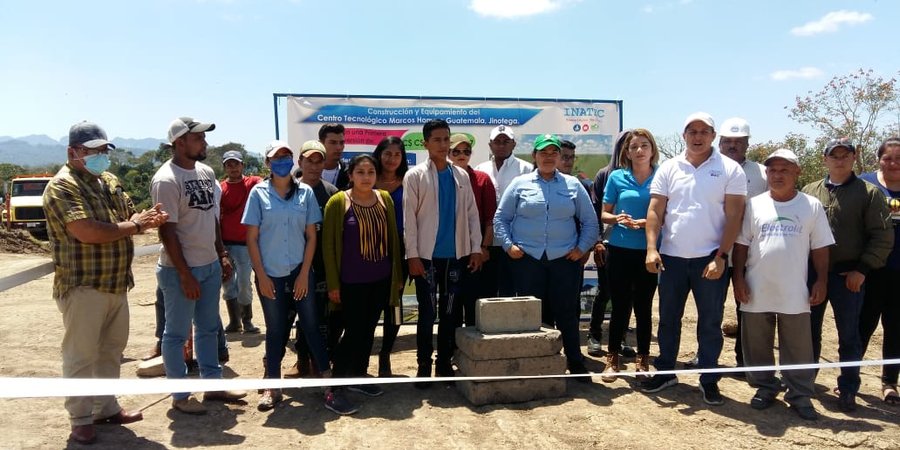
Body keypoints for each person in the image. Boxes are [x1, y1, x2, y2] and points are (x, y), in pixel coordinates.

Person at [43, 121, 167, 444]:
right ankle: (81, 418)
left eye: (103, 150)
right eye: (94, 151)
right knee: (81, 355)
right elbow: (87, 230)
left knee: (111, 350)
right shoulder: (62, 186)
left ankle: (106, 407)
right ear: (73, 152)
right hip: (83, 286)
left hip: (115, 284)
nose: (101, 156)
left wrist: (147, 217)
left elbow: (128, 216)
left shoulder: (107, 181)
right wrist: (136, 226)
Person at [642, 112, 747, 406]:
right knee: (668, 320)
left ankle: (709, 378)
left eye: (704, 131)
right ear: (684, 135)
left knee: (711, 322)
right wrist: (652, 248)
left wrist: (721, 256)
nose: (698, 136)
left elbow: (735, 215)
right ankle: (666, 372)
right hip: (672, 259)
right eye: (692, 131)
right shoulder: (669, 168)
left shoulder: (729, 169)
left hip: (710, 260)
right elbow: (655, 211)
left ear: (713, 136)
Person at [151, 116, 246, 415]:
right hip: (180, 270)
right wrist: (184, 274)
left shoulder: (206, 172)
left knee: (207, 328)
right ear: (180, 143)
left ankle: (213, 386)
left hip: (208, 266)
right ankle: (180, 395)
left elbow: (212, 219)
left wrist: (221, 254)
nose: (205, 143)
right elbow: (167, 232)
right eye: (198, 138)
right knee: (176, 334)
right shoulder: (166, 179)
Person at [732, 149, 834, 421]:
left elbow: (821, 249)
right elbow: (741, 245)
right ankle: (764, 388)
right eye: (772, 170)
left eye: (784, 170)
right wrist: (738, 278)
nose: (777, 175)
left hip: (794, 289)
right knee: (756, 343)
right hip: (757, 287)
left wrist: (821, 281)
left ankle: (799, 394)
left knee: (799, 345)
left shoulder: (811, 205)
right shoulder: (754, 204)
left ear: (797, 172)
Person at [494, 134, 599, 381]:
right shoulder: (520, 184)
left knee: (566, 314)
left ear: (560, 157)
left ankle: (575, 362)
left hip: (564, 260)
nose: (549, 157)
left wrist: (582, 248)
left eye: (554, 153)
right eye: (544, 152)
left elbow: (590, 222)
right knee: (534, 315)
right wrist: (509, 246)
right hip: (528, 260)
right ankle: (539, 364)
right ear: (535, 156)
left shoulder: (573, 185)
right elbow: (501, 218)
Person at [801, 137, 893, 412]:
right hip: (812, 274)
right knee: (808, 332)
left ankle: (849, 387)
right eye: (834, 155)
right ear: (825, 159)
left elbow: (882, 237)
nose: (839, 159)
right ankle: (805, 381)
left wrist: (862, 270)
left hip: (848, 276)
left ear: (854, 157)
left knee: (849, 335)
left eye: (845, 155)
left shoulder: (869, 193)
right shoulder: (809, 191)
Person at [242, 140, 331, 411]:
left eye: (286, 156)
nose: (282, 161)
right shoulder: (258, 194)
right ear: (268, 163)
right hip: (270, 275)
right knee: (276, 330)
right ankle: (272, 387)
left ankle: (328, 383)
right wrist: (262, 276)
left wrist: (304, 274)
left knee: (312, 327)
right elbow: (251, 239)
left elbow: (311, 237)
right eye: (276, 157)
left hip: (299, 271)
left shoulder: (305, 193)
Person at [404, 119, 483, 387]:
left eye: (446, 139)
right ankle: (423, 365)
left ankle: (444, 363)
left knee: (450, 313)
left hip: (455, 257)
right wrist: (412, 255)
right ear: (425, 143)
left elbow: (472, 215)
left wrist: (475, 248)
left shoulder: (460, 175)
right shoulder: (415, 175)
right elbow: (409, 220)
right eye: (436, 139)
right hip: (426, 258)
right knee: (427, 313)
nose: (442, 144)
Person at [323, 154, 403, 414]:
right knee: (354, 332)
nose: (366, 177)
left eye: (370, 172)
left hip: (379, 280)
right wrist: (333, 284)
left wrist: (396, 277)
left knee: (369, 330)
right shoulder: (338, 202)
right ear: (351, 175)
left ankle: (358, 376)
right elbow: (329, 247)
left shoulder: (385, 199)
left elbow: (393, 240)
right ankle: (335, 389)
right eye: (360, 172)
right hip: (351, 282)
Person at [599, 129, 660, 382]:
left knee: (644, 307)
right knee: (620, 305)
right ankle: (612, 358)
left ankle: (643, 359)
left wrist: (649, 221)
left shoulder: (662, 176)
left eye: (644, 146)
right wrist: (617, 218)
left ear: (652, 149)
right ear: (626, 151)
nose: (639, 151)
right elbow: (604, 214)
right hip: (620, 249)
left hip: (649, 251)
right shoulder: (616, 177)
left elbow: (669, 214)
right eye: (634, 147)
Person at [285, 140, 339, 378]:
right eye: (310, 161)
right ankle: (301, 360)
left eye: (319, 161)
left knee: (319, 319)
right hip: (291, 267)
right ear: (300, 162)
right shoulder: (287, 191)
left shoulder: (332, 194)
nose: (315, 167)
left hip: (322, 268)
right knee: (293, 316)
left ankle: (320, 360)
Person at [718, 117, 767, 370]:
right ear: (720, 142)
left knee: (746, 307)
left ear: (748, 143)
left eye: (739, 142)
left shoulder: (761, 173)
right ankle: (707, 357)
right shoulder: (709, 168)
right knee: (711, 309)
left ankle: (744, 360)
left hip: (750, 253)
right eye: (728, 141)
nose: (733, 146)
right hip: (715, 250)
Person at [859, 136, 900, 405]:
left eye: (898, 159)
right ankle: (848, 378)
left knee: (896, 328)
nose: (893, 164)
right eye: (888, 158)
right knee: (862, 325)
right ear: (878, 159)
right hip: (870, 270)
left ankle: (889, 382)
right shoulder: (864, 184)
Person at [587, 130, 632, 357]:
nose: (629, 149)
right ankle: (594, 335)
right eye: (625, 144)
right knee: (605, 291)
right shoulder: (604, 175)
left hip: (634, 245)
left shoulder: (642, 175)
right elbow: (595, 212)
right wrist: (597, 242)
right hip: (608, 242)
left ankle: (622, 337)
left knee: (627, 294)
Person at [475, 125, 532, 296]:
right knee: (488, 290)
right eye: (497, 141)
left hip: (516, 241)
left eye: (506, 141)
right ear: (490, 145)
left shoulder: (526, 169)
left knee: (513, 290)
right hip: (488, 242)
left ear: (513, 144)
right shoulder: (480, 168)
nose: (501, 145)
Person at [449, 133, 497, 326]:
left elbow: (490, 219)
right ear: (449, 153)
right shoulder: (441, 178)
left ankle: (470, 349)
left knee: (472, 302)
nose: (462, 155)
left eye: (466, 151)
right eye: (457, 151)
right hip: (448, 252)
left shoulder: (481, 179)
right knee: (451, 305)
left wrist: (484, 247)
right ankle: (451, 349)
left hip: (474, 252)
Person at [372, 136, 410, 377]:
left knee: (394, 306)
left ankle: (386, 355)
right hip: (369, 253)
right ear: (379, 154)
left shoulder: (409, 182)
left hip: (400, 254)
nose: (392, 159)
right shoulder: (366, 177)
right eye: (387, 154)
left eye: (397, 155)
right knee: (370, 306)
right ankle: (363, 356)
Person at [220, 150, 261, 334]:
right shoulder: (220, 188)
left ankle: (247, 320)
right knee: (228, 282)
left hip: (245, 244)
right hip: (225, 244)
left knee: (244, 282)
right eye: (229, 164)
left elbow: (266, 184)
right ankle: (234, 321)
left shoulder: (252, 183)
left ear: (242, 165)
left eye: (236, 163)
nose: (233, 167)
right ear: (225, 167)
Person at [320, 123, 350, 190]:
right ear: (321, 144)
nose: (339, 147)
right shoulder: (304, 173)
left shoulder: (350, 174)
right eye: (333, 143)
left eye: (341, 143)